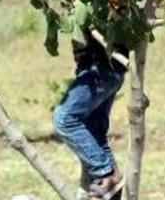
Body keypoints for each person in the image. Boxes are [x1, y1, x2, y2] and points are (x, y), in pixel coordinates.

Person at [52, 29, 127, 200]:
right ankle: (110, 188)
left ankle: (106, 174)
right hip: (104, 68)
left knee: (64, 118)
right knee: (94, 132)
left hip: (102, 68)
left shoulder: (98, 2)